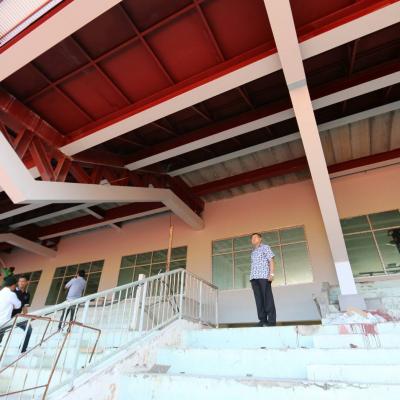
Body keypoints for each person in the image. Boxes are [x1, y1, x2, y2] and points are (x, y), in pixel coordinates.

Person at [250, 233, 276, 327]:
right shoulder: (253, 252)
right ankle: (262, 320)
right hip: (254, 278)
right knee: (259, 300)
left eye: (255, 237)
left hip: (264, 276)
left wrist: (271, 274)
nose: (253, 239)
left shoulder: (265, 247)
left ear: (260, 239)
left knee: (267, 298)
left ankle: (271, 321)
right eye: (252, 238)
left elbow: (271, 260)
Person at [11, 276, 32, 353]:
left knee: (29, 329)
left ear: (27, 282)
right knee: (1, 333)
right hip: (7, 316)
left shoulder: (27, 294)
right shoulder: (13, 291)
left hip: (18, 317)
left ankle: (22, 349)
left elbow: (24, 307)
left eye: (23, 281)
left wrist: (27, 318)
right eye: (20, 281)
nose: (21, 283)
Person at [0, 276, 21, 347]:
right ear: (13, 285)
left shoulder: (0, 292)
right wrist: (12, 305)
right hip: (3, 322)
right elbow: (18, 305)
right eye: (16, 285)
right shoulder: (11, 294)